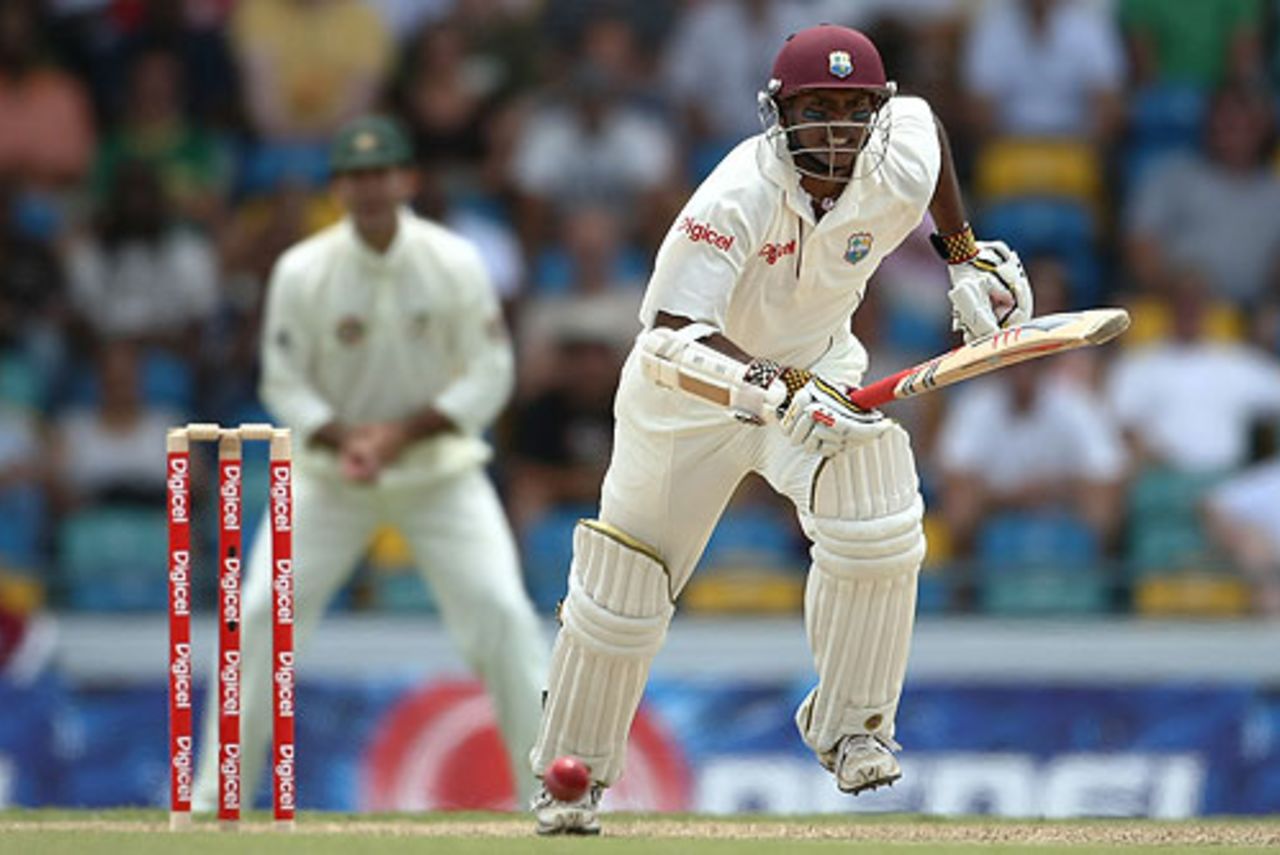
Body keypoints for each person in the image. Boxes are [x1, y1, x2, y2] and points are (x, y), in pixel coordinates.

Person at [528, 24, 1033, 835]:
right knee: (625, 588)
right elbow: (665, 335)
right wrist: (771, 386)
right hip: (689, 396)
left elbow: (928, 129)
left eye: (853, 109)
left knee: (878, 504)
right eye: (816, 109)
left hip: (819, 370)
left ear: (876, 111)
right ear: (779, 113)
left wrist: (963, 255)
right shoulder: (736, 194)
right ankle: (572, 774)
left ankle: (854, 724)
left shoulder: (895, 152)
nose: (836, 129)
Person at [192, 115, 547, 813]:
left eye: (382, 172)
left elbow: (490, 373)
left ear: (406, 178)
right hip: (331, 477)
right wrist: (342, 438)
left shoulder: (454, 260)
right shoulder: (303, 269)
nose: (371, 187)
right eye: (356, 176)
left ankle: (546, 794)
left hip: (440, 473)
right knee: (261, 609)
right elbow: (284, 380)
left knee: (504, 613)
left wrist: (398, 435)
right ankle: (217, 792)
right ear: (340, 188)